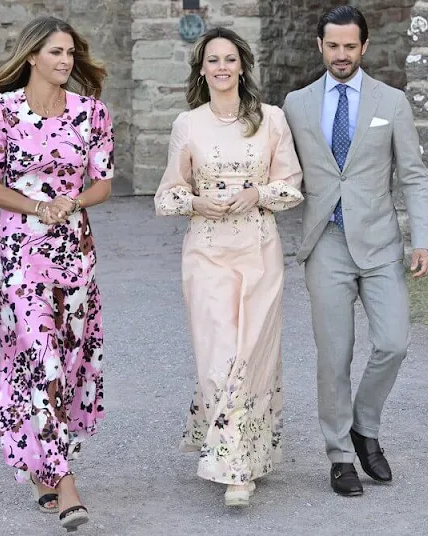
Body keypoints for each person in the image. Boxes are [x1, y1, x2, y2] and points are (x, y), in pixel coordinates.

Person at [283, 5, 428, 497]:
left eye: (350, 46)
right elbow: (280, 172)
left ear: (364, 47)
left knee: (393, 343)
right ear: (320, 46)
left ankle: (363, 426)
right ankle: (341, 456)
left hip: (380, 243)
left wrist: (423, 240)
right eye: (333, 46)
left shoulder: (392, 102)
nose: (342, 55)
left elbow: (412, 175)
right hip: (325, 241)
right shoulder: (296, 105)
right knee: (335, 356)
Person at [154, 27, 303, 507]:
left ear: (242, 66)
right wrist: (198, 200)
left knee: (252, 351)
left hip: (259, 249)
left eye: (230, 59)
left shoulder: (272, 120)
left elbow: (292, 186)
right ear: (202, 69)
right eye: (212, 60)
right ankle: (234, 469)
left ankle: (242, 456)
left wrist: (256, 194)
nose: (221, 67)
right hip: (206, 252)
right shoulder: (187, 124)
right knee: (220, 354)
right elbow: (166, 197)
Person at [0, 16, 114, 530]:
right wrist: (38, 208)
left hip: (76, 252)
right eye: (56, 52)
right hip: (22, 254)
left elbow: (102, 182)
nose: (65, 61)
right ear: (32, 56)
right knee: (39, 355)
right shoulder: (0, 111)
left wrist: (71, 201)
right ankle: (65, 481)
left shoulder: (91, 112)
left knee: (69, 359)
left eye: (71, 54)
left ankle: (40, 465)